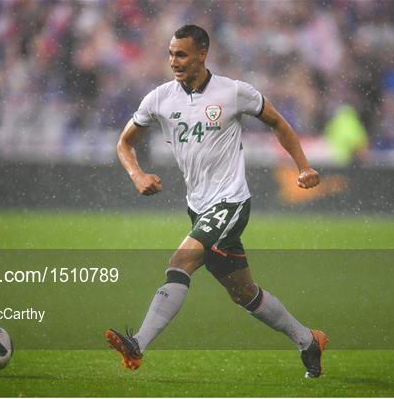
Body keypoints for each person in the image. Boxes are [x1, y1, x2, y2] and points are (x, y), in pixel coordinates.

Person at [106, 25, 327, 378]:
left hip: (231, 201)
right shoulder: (159, 98)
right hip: (199, 207)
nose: (173, 61)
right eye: (170, 54)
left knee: (179, 263)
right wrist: (138, 175)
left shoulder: (233, 92)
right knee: (244, 294)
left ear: (202, 54)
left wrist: (303, 166)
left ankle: (138, 345)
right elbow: (124, 143)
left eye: (181, 54)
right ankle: (307, 340)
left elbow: (278, 122)